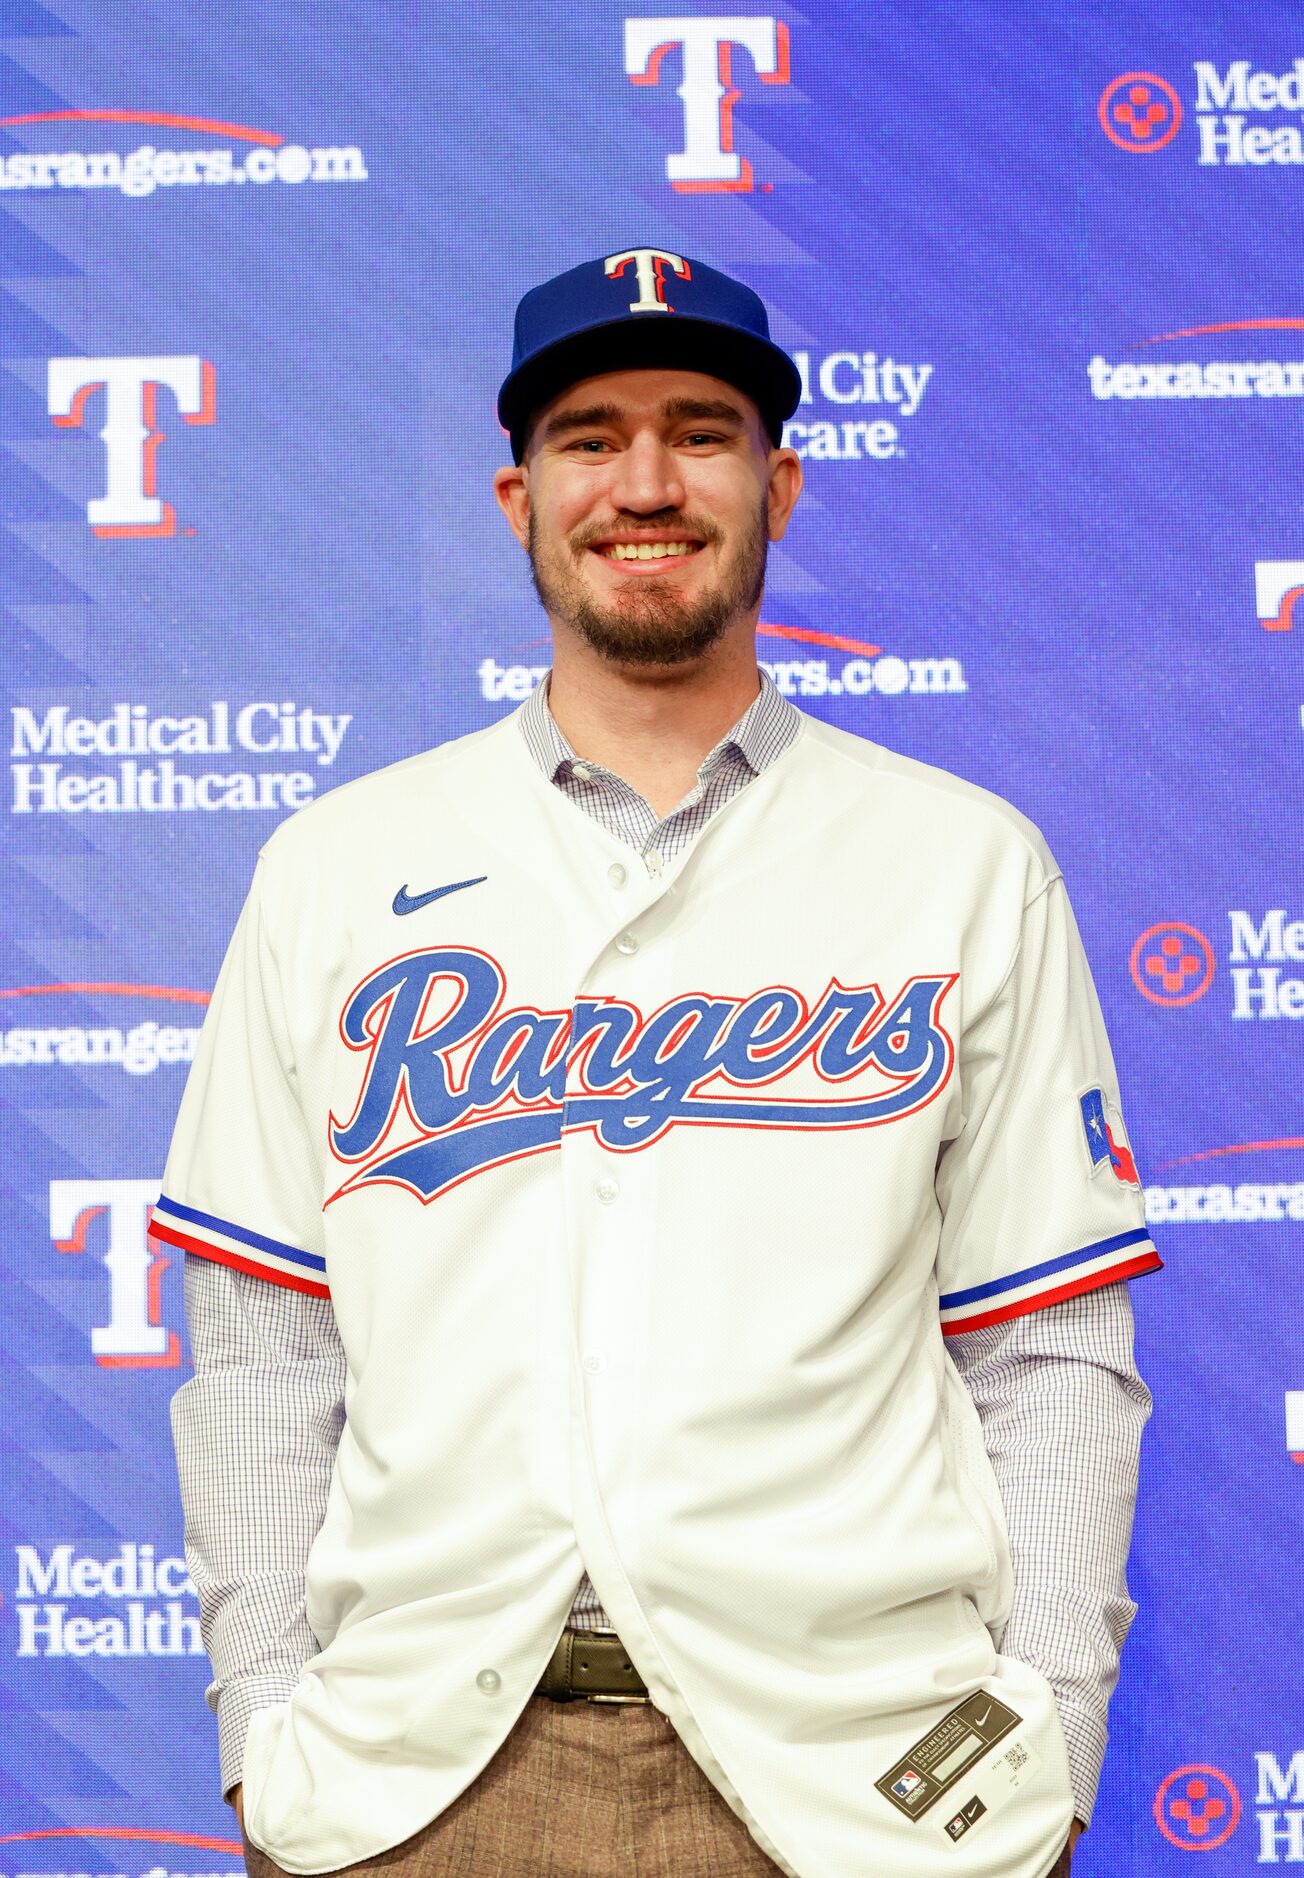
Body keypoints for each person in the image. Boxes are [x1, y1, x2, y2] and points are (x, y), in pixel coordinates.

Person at [157, 248, 1159, 1878]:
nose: (644, 482)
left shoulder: (961, 860)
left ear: (782, 483)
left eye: (701, 431)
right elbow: (266, 1352)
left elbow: (1048, 1353)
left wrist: (1044, 1722)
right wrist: (268, 1729)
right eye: (589, 434)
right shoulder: (339, 865)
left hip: (859, 1782)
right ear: (515, 493)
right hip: (424, 1781)